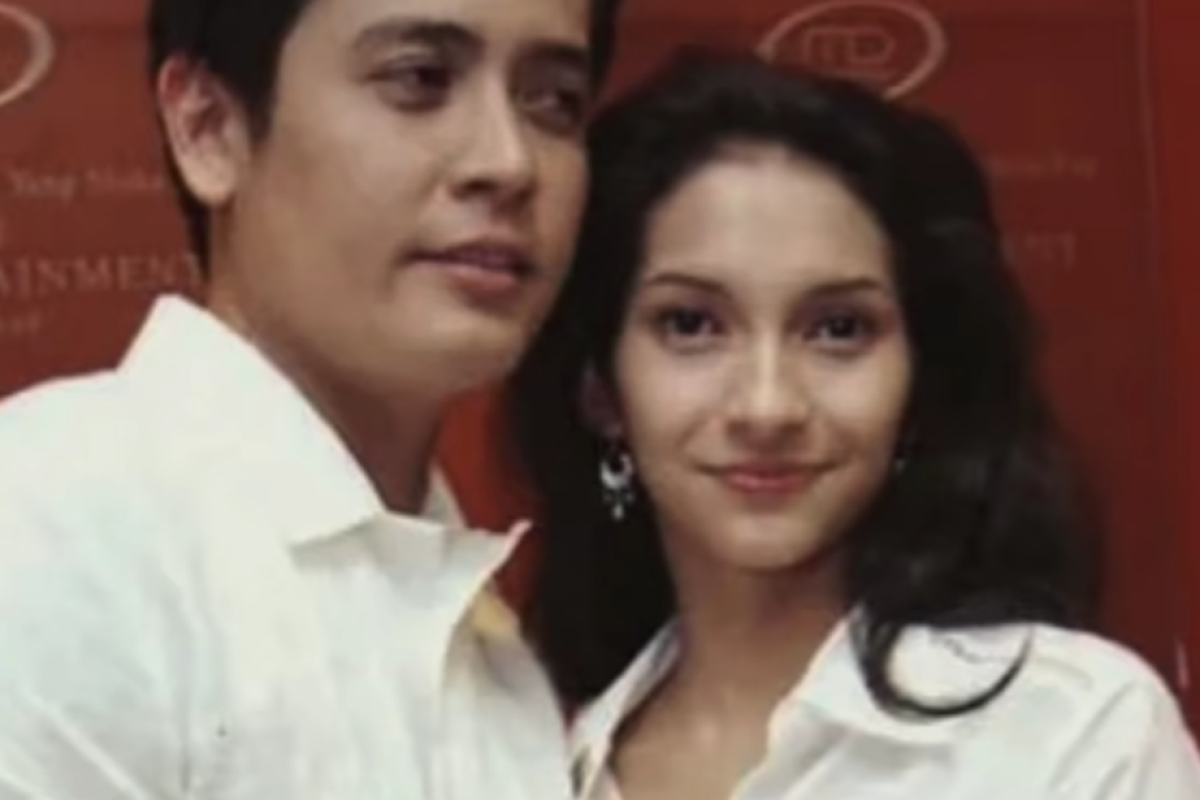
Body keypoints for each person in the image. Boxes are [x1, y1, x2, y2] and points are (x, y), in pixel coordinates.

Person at [509, 48, 1200, 800]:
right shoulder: (527, 763)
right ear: (601, 391)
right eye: (691, 324)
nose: (767, 406)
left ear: (919, 379)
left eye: (838, 329)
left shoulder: (1074, 729)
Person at [0, 0, 623, 797]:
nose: (509, 161)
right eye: (420, 79)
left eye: (554, 102)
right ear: (207, 127)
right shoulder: (55, 527)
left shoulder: (490, 646)